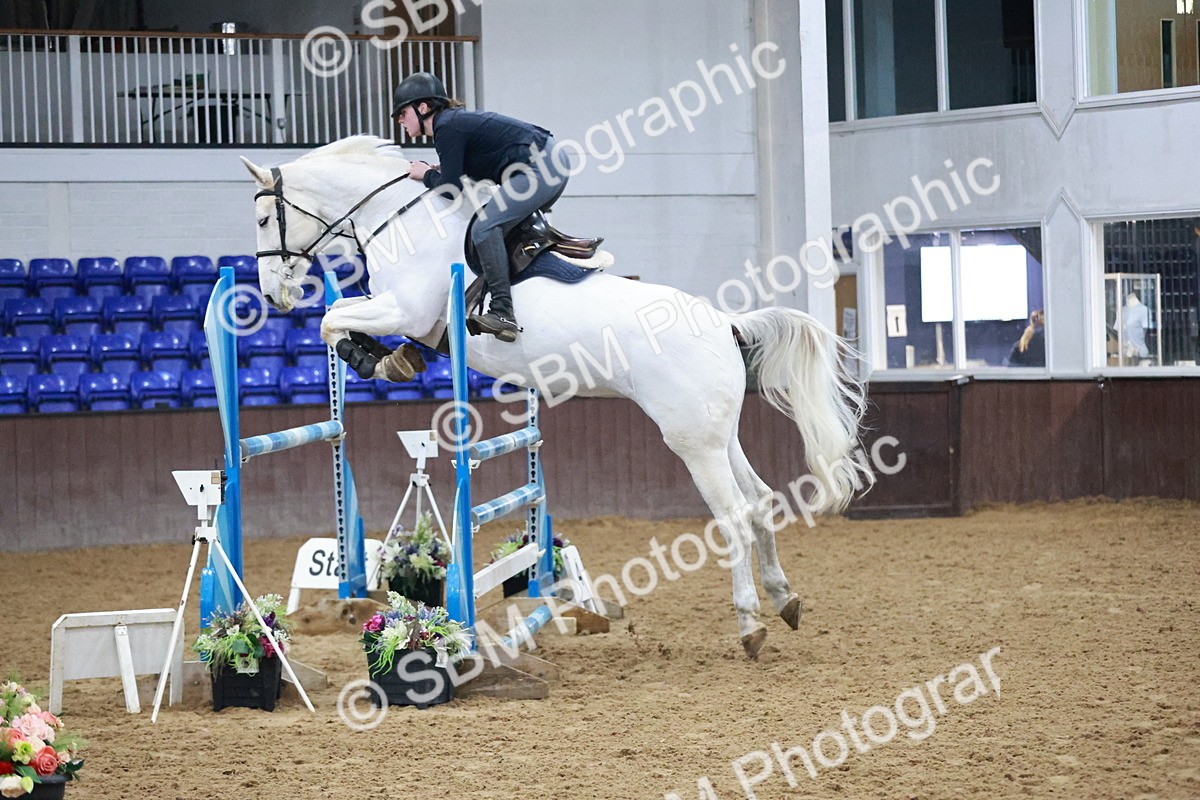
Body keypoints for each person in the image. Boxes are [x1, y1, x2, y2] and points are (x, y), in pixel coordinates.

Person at [392, 72, 570, 343]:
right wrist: (437, 171)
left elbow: (451, 189)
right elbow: (464, 173)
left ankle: (503, 314)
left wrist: (424, 174)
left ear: (423, 107)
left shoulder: (446, 127)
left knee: (485, 228)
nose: (399, 120)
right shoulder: (451, 124)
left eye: (402, 112)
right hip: (546, 161)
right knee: (494, 229)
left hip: (541, 166)